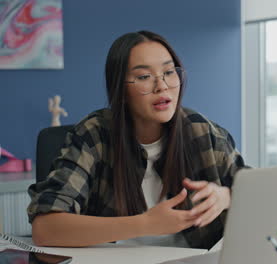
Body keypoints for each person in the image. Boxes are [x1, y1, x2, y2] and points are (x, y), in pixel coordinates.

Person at [27, 30, 246, 249]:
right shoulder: (94, 135)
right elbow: (46, 228)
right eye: (143, 77)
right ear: (120, 89)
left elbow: (259, 193)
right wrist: (145, 224)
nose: (162, 86)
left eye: (169, 72)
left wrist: (226, 196)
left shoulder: (202, 132)